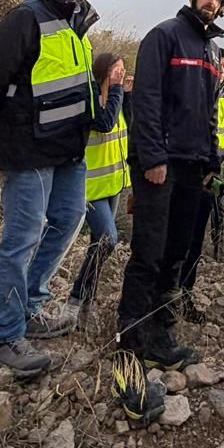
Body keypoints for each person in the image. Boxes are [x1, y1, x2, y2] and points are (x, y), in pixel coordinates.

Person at [0, 0, 121, 379]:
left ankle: (31, 307)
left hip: (68, 152)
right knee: (21, 239)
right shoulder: (26, 18)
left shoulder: (79, 27)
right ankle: (4, 337)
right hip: (30, 150)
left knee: (67, 222)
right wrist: (8, 133)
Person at [115, 0, 224, 369]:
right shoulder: (164, 36)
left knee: (178, 252)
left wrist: (212, 162)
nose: (211, 1)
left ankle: (160, 330)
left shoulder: (214, 52)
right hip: (161, 165)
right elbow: (145, 102)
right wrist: (153, 159)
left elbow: (212, 112)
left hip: (194, 167)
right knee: (149, 250)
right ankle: (131, 335)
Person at [63, 51, 131, 330]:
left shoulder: (120, 100)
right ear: (103, 72)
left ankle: (85, 304)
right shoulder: (92, 100)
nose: (121, 74)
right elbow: (105, 124)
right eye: (117, 70)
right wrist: (116, 91)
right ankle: (75, 300)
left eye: (123, 70)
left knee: (98, 246)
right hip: (89, 188)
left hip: (112, 185)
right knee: (107, 240)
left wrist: (128, 95)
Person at [177, 66, 224, 322]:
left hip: (211, 173)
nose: (220, 71)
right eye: (217, 66)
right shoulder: (190, 92)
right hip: (185, 174)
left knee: (196, 242)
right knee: (179, 241)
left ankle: (184, 294)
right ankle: (167, 298)